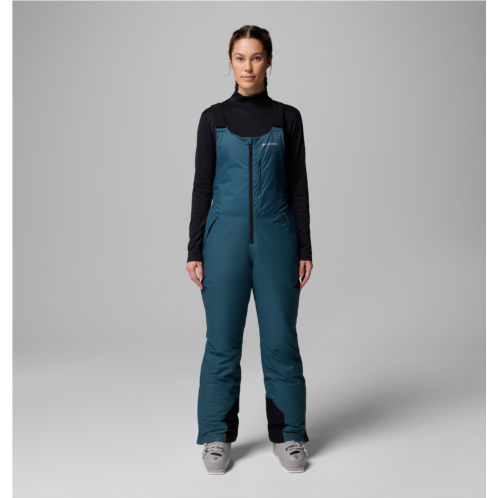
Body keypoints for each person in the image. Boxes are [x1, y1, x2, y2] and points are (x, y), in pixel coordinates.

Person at [186, 25, 313, 474]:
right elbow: (202, 186)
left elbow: (298, 188)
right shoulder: (213, 119)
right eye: (240, 58)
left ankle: (289, 435)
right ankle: (215, 437)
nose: (248, 66)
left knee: (280, 340)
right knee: (222, 343)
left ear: (269, 61)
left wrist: (305, 247)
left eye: (256, 57)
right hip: (224, 241)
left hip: (278, 239)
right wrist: (194, 249)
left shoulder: (287, 119)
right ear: (230, 62)